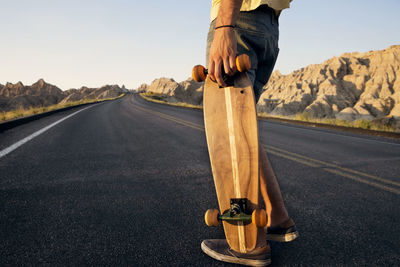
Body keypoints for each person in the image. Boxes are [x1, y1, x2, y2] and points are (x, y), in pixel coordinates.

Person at [201, 0, 299, 266]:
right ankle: (278, 219)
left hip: (239, 20)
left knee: (230, 132)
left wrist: (224, 25)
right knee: (243, 128)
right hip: (268, 27)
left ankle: (247, 243)